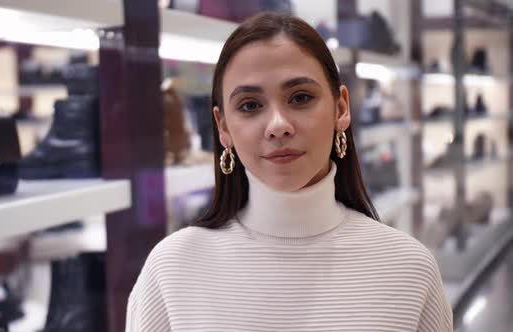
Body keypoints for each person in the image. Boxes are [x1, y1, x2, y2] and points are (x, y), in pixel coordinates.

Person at [126, 12, 452, 331]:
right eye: (250, 105)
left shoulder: (409, 269)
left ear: (341, 108)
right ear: (223, 126)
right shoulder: (171, 269)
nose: (278, 125)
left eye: (300, 97)